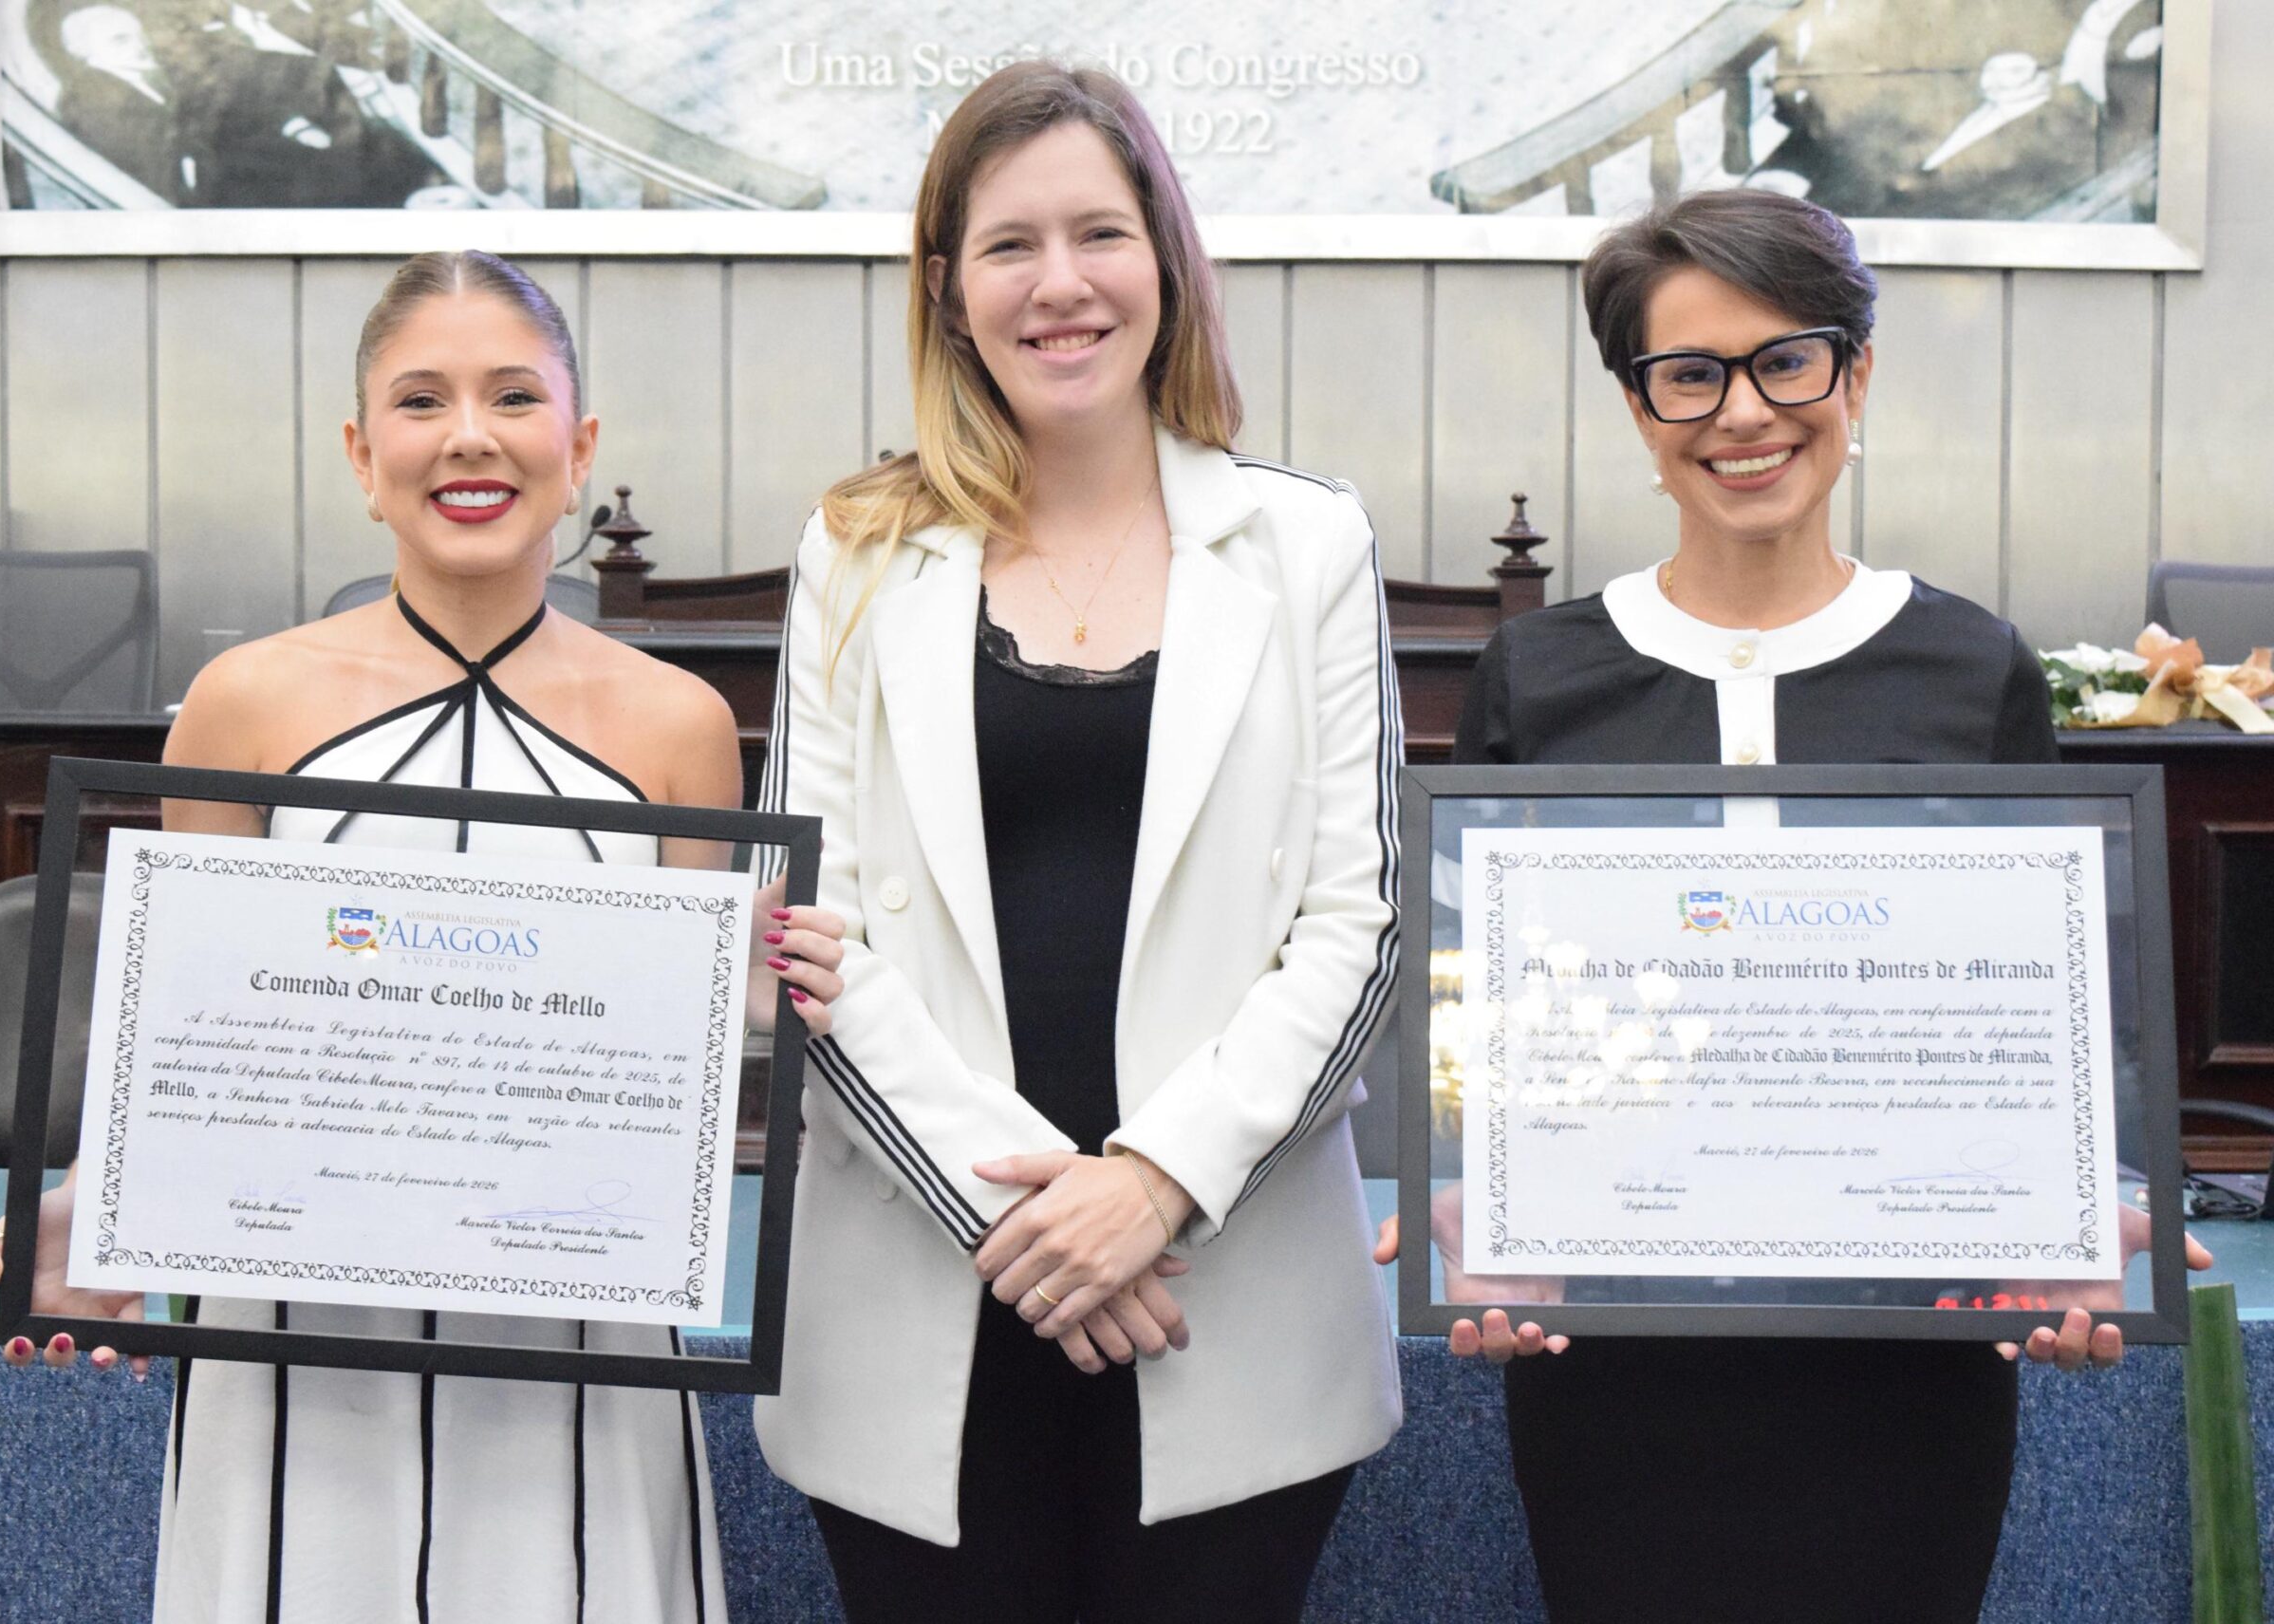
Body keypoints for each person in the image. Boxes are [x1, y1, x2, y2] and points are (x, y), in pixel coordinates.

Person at [1373, 188, 2209, 1623]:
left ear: (1855, 375)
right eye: (1689, 374)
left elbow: (2052, 1012)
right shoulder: (1542, 675)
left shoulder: (1973, 668)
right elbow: (1481, 1007)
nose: (1744, 412)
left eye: (1786, 361)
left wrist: (2085, 1212)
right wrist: (1474, 1189)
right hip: (1612, 1351)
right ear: (1638, 407)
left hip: (1908, 1359)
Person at [0, 250, 845, 1624]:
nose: (469, 437)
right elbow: (188, 1034)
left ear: (580, 447)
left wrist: (779, 990)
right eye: (422, 400)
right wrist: (104, 1205)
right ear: (361, 454)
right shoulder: (242, 702)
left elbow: (686, 1065)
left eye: (514, 396)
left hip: (580, 1364)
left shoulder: (677, 725)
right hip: (295, 1366)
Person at [751, 60, 1402, 1623]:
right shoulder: (854, 553)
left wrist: (1152, 1187)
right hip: (923, 1285)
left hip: (1219, 1291)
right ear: (946, 287)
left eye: (1100, 233)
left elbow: (1360, 926)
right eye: (1009, 245)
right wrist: (1032, 1229)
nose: (1061, 285)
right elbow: (808, 936)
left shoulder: (1308, 543)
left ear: (1165, 258)